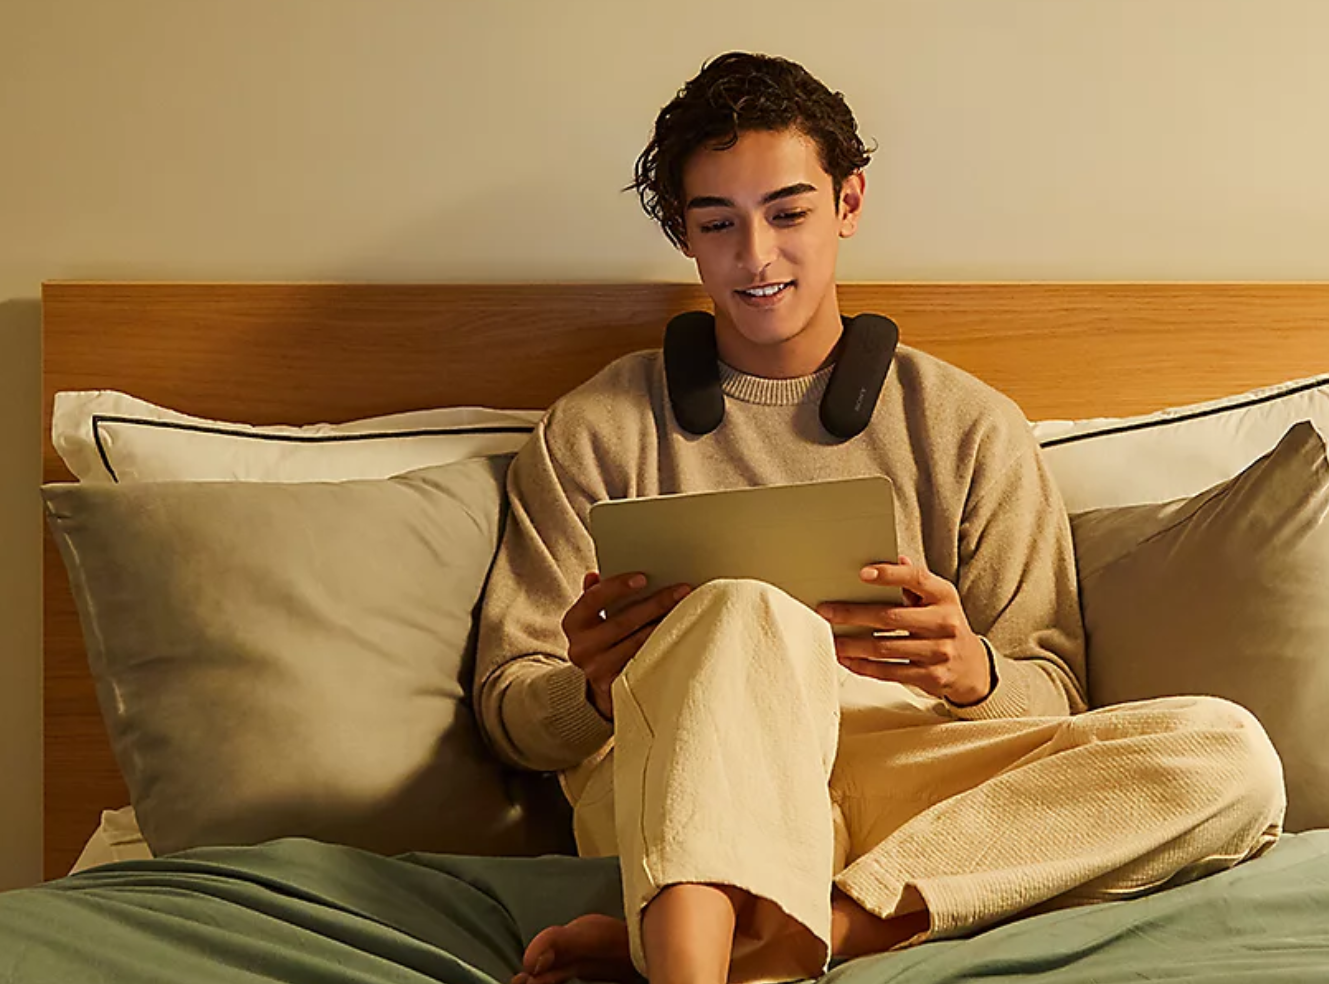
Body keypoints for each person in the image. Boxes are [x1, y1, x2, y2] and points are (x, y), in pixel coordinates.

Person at [473, 52, 1286, 984]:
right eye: (717, 224)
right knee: (742, 610)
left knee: (1230, 754)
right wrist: (590, 691)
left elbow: (1057, 692)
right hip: (690, 790)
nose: (757, 256)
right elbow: (511, 717)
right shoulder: (593, 433)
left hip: (913, 790)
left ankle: (802, 929)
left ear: (848, 204)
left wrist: (973, 670)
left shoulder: (969, 427)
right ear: (685, 239)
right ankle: (707, 948)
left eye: (788, 213)